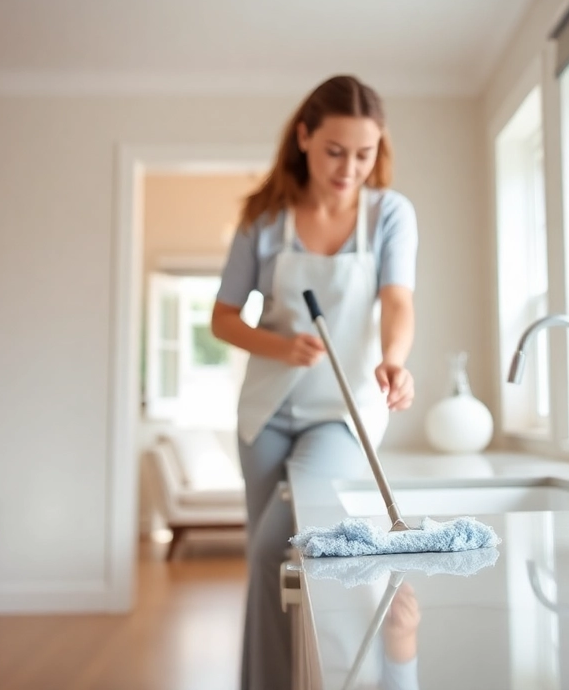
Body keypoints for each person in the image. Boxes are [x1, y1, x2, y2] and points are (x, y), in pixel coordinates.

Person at [211, 74, 419, 690]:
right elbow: (223, 319)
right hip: (265, 416)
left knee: (292, 545)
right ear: (303, 137)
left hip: (343, 414)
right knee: (263, 563)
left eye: (365, 153)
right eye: (335, 151)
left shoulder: (389, 214)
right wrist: (280, 344)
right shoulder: (264, 218)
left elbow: (399, 301)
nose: (350, 168)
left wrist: (394, 358)